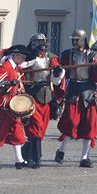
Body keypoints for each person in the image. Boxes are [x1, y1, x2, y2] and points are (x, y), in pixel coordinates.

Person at [0, 44, 34, 169]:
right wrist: (9, 82)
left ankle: (19, 160)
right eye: (21, 57)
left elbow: (29, 63)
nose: (22, 60)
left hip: (12, 105)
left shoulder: (14, 67)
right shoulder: (6, 67)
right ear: (15, 56)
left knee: (17, 133)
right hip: (4, 105)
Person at [55, 29, 97, 168]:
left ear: (82, 40)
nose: (74, 42)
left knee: (89, 124)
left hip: (88, 90)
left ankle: (84, 158)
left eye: (77, 39)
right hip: (74, 88)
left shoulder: (93, 55)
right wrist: (57, 70)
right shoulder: (67, 54)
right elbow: (59, 66)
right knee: (71, 122)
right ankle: (62, 150)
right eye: (73, 39)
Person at [21, 33, 64, 168]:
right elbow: (21, 72)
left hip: (46, 96)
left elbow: (56, 79)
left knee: (42, 128)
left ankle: (27, 152)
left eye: (42, 44)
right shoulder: (27, 58)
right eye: (38, 43)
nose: (41, 47)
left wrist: (57, 72)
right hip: (32, 95)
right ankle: (36, 157)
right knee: (35, 128)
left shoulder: (51, 58)